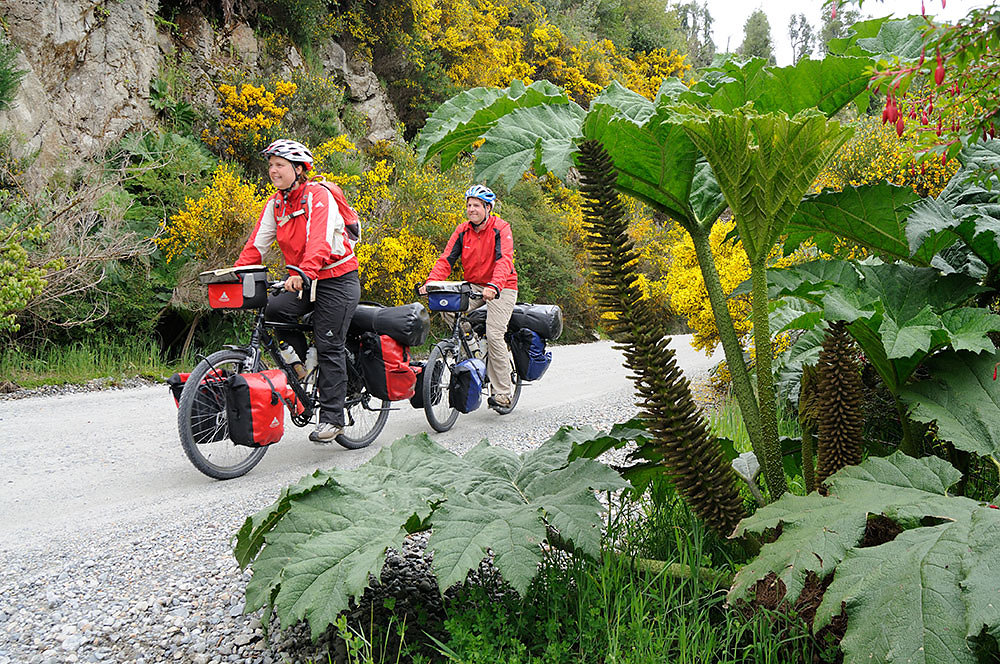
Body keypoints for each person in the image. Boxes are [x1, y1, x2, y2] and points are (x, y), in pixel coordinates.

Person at [234, 139, 361, 444]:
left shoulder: (320, 196)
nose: (273, 170)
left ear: (300, 169)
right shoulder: (276, 204)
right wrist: (235, 273)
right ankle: (303, 368)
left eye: (280, 165)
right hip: (304, 278)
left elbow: (318, 240)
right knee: (274, 310)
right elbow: (257, 245)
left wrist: (301, 273)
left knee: (328, 342)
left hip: (337, 279)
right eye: (271, 165)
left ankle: (333, 419)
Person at [419, 184, 518, 410]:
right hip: (474, 284)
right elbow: (446, 260)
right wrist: (431, 283)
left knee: (494, 335)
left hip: (502, 286)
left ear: (487, 207)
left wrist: (494, 286)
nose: (471, 209)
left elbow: (504, 261)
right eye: (469, 205)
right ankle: (471, 346)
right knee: (445, 304)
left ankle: (502, 392)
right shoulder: (462, 231)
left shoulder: (500, 228)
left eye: (476, 205)